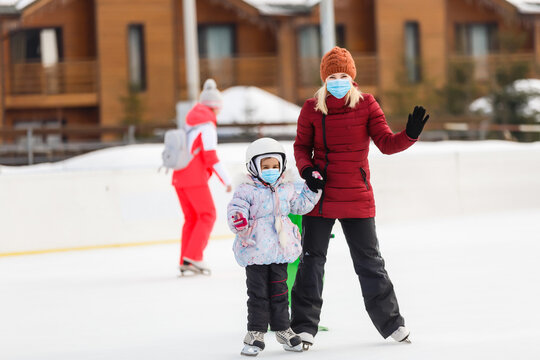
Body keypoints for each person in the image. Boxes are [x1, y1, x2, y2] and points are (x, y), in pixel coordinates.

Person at [291, 47, 430, 347]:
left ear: (352, 77)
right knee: (311, 262)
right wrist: (308, 171)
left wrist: (410, 134)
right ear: (324, 79)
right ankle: (303, 327)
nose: (338, 80)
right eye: (332, 76)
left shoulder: (366, 104)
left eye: (343, 75)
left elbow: (386, 143)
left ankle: (392, 324)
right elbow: (301, 147)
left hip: (356, 197)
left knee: (370, 262)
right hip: (320, 197)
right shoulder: (312, 108)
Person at [227, 137, 322, 356]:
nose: (271, 170)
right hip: (255, 251)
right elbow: (236, 209)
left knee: (280, 293)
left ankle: (283, 329)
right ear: (253, 167)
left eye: (275, 166)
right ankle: (255, 333)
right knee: (258, 294)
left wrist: (313, 189)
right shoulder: (246, 190)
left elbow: (299, 206)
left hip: (279, 250)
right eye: (265, 166)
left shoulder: (286, 188)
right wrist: (239, 219)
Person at [173, 79, 232, 275]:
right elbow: (210, 156)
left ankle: (186, 260)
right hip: (194, 177)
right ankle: (195, 257)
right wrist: (227, 180)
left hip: (179, 175)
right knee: (207, 214)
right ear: (215, 107)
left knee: (192, 218)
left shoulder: (190, 122)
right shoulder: (206, 124)